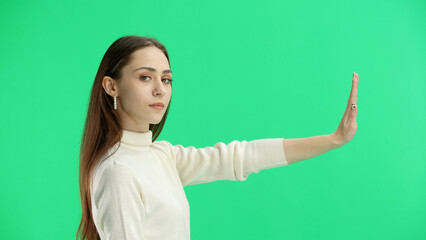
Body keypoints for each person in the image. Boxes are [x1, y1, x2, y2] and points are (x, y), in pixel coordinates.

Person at [76, 35, 359, 240]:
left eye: (166, 79)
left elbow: (241, 157)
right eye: (145, 77)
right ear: (111, 86)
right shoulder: (118, 171)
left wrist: (335, 139)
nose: (160, 89)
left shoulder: (161, 156)